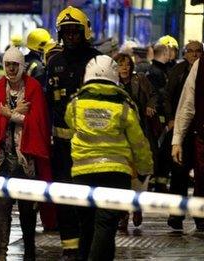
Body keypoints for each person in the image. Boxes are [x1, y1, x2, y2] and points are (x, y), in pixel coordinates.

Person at [65, 55, 153, 260]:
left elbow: (70, 124)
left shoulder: (76, 104)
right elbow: (138, 142)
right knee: (106, 225)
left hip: (82, 173)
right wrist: (145, 169)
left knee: (86, 226)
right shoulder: (124, 106)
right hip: (115, 174)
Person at [0, 47, 53, 261]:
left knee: (27, 209)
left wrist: (10, 115)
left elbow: (38, 124)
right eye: (8, 65)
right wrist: (16, 114)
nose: (11, 69)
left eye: (15, 65)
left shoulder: (33, 88)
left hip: (26, 159)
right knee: (2, 206)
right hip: (2, 158)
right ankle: (1, 252)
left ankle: (29, 251)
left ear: (22, 66)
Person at [46, 6, 101, 259]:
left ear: (84, 31)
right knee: (64, 196)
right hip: (61, 147)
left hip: (91, 145)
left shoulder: (98, 62)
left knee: (88, 200)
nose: (70, 36)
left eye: (74, 31)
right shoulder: (54, 62)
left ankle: (88, 246)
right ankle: (70, 248)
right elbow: (48, 103)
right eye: (65, 31)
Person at [114, 53, 158, 230]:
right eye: (120, 64)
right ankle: (123, 214)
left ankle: (137, 206)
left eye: (126, 64)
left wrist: (151, 106)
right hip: (119, 136)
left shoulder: (140, 80)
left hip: (138, 132)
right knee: (123, 175)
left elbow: (154, 95)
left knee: (138, 174)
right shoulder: (112, 84)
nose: (124, 67)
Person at [164, 40, 204, 229]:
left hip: (201, 130)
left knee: (202, 175)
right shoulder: (177, 72)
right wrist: (172, 120)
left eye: (198, 51)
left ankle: (200, 214)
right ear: (185, 53)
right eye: (191, 51)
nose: (195, 55)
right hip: (182, 129)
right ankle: (176, 214)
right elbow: (170, 98)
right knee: (179, 173)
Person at [171, 54, 204, 230]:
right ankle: (201, 215)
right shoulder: (202, 65)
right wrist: (177, 141)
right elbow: (187, 105)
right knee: (203, 177)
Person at [146, 43, 171, 192]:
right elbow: (159, 95)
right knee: (158, 150)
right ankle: (156, 183)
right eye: (168, 53)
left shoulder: (159, 70)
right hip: (158, 117)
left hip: (161, 117)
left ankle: (158, 182)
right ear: (164, 53)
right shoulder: (156, 72)